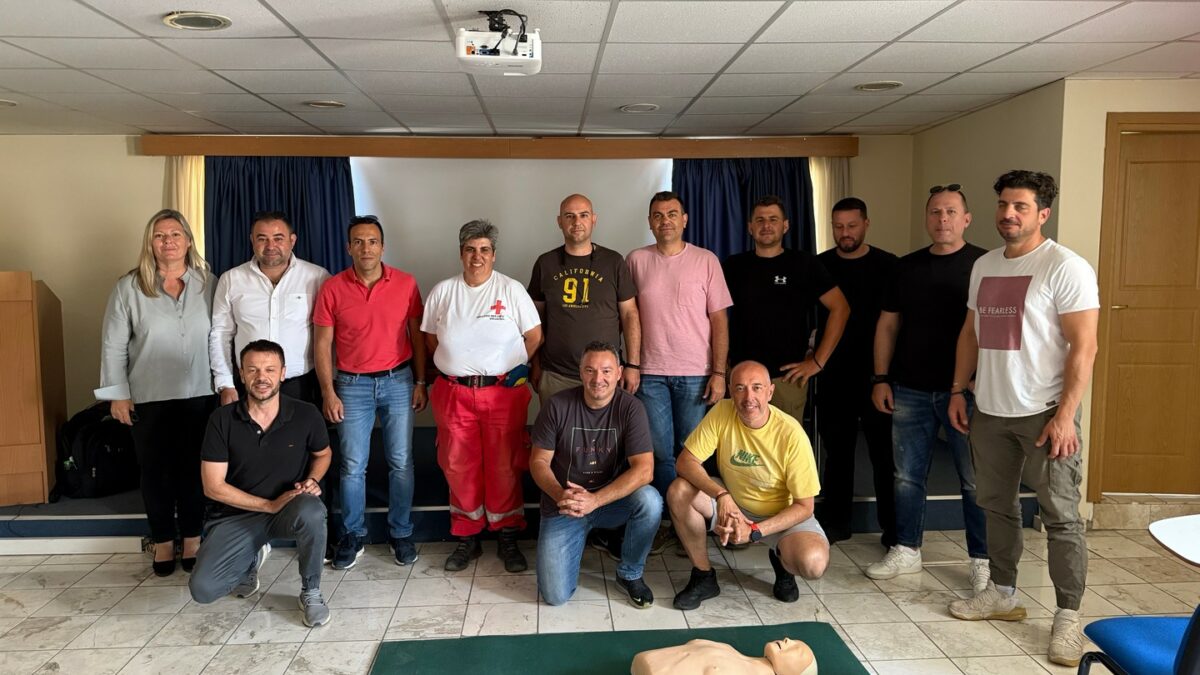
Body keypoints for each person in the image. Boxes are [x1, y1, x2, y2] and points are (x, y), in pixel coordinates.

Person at [947, 170, 1099, 668]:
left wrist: (1065, 417)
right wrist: (958, 389)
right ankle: (1002, 593)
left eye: (1021, 207)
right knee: (996, 506)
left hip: (1045, 415)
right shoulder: (985, 265)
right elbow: (970, 333)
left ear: (1043, 213)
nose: (1008, 214)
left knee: (1061, 518)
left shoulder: (1065, 267)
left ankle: (1068, 617)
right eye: (1003, 205)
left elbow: (1085, 346)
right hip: (990, 411)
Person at [866, 185, 990, 589]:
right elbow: (887, 325)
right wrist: (881, 378)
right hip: (910, 388)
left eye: (951, 212)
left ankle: (982, 560)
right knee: (907, 476)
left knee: (974, 480)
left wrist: (981, 378)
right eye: (935, 212)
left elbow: (997, 329)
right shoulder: (906, 268)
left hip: (968, 393)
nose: (942, 219)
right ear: (927, 218)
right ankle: (906, 549)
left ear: (966, 219)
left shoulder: (986, 265)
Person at [96, 208, 215, 576]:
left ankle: (192, 537)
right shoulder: (128, 287)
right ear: (150, 243)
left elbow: (222, 336)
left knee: (195, 469)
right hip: (149, 396)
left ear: (188, 241)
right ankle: (163, 540)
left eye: (175, 234)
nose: (168, 241)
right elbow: (113, 345)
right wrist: (117, 394)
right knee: (155, 471)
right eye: (160, 235)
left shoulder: (209, 283)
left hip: (201, 393)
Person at [422, 220, 543, 573]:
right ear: (461, 253)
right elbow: (430, 339)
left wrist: (515, 367)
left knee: (505, 464)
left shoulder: (511, 289)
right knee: (458, 464)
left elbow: (535, 336)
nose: (478, 256)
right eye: (471, 250)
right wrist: (456, 364)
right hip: (454, 393)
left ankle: (507, 535)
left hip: (503, 393)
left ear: (494, 254)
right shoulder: (443, 291)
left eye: (485, 250)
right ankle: (467, 537)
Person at [189, 340, 332, 628]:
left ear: (283, 373)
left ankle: (311, 590)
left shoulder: (306, 414)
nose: (261, 377)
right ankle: (250, 557)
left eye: (269, 369)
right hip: (236, 515)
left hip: (288, 508)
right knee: (203, 590)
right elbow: (213, 487)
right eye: (253, 370)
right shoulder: (222, 419)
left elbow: (323, 454)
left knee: (312, 510)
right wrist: (267, 505)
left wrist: (312, 480)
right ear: (241, 374)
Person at [313, 215, 427, 570]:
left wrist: (421, 382)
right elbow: (322, 344)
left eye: (372, 241)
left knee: (401, 462)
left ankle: (401, 533)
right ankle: (352, 535)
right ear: (348, 247)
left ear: (382, 246)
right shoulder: (332, 288)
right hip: (352, 386)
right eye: (359, 242)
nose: (366, 248)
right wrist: (328, 391)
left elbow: (418, 337)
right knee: (352, 465)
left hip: (398, 381)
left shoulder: (406, 284)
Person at [667, 361, 829, 611]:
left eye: (756, 388)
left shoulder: (791, 433)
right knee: (679, 491)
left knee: (813, 564)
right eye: (740, 388)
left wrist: (754, 531)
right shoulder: (723, 411)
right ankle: (703, 575)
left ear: (770, 392)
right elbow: (685, 462)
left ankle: (782, 563)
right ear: (731, 391)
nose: (748, 397)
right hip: (734, 503)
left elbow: (805, 507)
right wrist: (721, 495)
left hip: (780, 515)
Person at [627, 191, 732, 551]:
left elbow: (719, 321)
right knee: (659, 454)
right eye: (658, 215)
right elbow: (628, 317)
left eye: (672, 214)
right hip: (650, 373)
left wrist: (719, 373)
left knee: (691, 456)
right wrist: (632, 364)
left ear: (684, 219)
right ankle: (668, 522)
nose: (665, 221)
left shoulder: (706, 260)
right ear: (650, 222)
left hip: (696, 374)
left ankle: (693, 520)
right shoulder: (636, 260)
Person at [530, 341, 660, 608]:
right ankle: (583, 536)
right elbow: (538, 461)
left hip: (609, 501)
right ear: (580, 372)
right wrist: (560, 494)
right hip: (565, 505)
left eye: (606, 371)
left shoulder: (631, 408)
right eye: (590, 370)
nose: (598, 379)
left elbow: (645, 470)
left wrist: (595, 500)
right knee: (555, 596)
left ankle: (630, 573)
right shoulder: (557, 405)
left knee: (650, 501)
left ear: (619, 373)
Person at [723, 194, 849, 424]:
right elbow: (714, 315)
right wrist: (720, 362)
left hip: (787, 378)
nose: (766, 225)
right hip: (742, 378)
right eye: (760, 220)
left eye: (773, 219)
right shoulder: (733, 266)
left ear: (786, 225)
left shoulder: (805, 264)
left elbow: (840, 308)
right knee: (741, 445)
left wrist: (818, 362)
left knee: (786, 444)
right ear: (750, 227)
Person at [814, 198, 898, 545]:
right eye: (838, 226)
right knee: (837, 453)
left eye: (851, 225)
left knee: (884, 455)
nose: (845, 233)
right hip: (833, 375)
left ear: (866, 224)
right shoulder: (820, 265)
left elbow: (896, 322)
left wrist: (885, 376)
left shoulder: (889, 265)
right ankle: (836, 523)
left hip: (879, 376)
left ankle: (894, 530)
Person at [209, 210, 330, 407]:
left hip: (303, 387)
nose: (270, 246)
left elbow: (328, 335)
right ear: (252, 240)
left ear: (292, 240)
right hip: (248, 387)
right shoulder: (231, 279)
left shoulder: (318, 277)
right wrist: (225, 383)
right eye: (262, 239)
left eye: (278, 238)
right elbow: (220, 334)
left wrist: (330, 385)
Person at [527, 193, 641, 401]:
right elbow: (533, 321)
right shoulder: (545, 263)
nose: (576, 222)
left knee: (606, 424)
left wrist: (633, 365)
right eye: (569, 216)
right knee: (556, 424)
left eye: (583, 215)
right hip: (556, 375)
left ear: (594, 220)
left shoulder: (614, 262)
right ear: (559, 221)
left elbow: (629, 315)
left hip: (604, 376)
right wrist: (535, 364)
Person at [631, 638, 817, 675]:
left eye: (797, 649)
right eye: (794, 640)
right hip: (645, 662)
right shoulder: (728, 649)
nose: (787, 639)